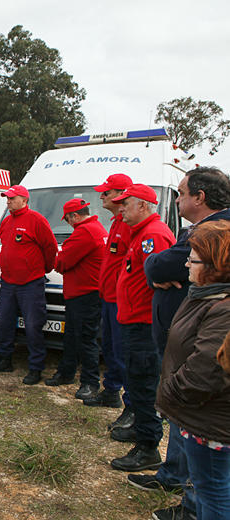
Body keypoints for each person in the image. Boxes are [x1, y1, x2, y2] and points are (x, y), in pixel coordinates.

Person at [129, 167, 230, 518]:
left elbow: (157, 266)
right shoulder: (202, 236)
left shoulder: (216, 233)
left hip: (203, 398)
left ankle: (191, 503)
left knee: (214, 483)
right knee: (203, 466)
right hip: (190, 374)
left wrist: (170, 395)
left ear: (200, 196)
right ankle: (182, 489)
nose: (177, 199)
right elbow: (157, 266)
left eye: (182, 192)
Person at [154, 221, 230, 520]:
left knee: (212, 489)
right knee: (208, 485)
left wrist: (171, 392)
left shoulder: (223, 309)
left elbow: (206, 370)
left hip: (209, 419)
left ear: (216, 265)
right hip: (202, 416)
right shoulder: (204, 294)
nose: (186, 263)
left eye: (193, 258)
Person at [109, 184, 176, 472]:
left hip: (144, 324)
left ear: (144, 206)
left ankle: (148, 447)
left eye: (126, 204)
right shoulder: (140, 234)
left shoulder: (154, 235)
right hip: (133, 321)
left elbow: (165, 277)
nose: (120, 209)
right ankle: (141, 430)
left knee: (145, 382)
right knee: (136, 381)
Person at [0, 185, 58, 385]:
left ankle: (36, 368)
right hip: (8, 283)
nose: (7, 201)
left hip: (30, 284)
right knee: (5, 322)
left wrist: (43, 269)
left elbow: (50, 247)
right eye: (7, 198)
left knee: (33, 325)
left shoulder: (36, 220)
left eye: (11, 198)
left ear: (24, 200)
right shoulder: (7, 221)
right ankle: (5, 359)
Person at [83, 174, 134, 423]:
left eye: (107, 192)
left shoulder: (130, 224)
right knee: (111, 347)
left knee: (125, 351)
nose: (101, 196)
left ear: (122, 194)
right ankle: (112, 391)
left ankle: (131, 406)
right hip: (109, 297)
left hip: (123, 301)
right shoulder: (115, 222)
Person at [46, 199, 107, 400]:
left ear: (75, 216)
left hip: (85, 294)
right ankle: (66, 372)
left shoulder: (85, 232)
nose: (69, 223)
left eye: (68, 219)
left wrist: (57, 258)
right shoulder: (94, 228)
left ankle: (90, 383)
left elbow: (62, 262)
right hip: (80, 293)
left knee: (85, 339)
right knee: (72, 336)